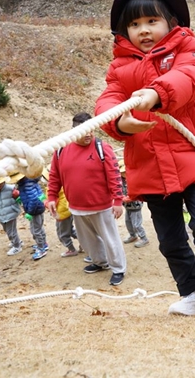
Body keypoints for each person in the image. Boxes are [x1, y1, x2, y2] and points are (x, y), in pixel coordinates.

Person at [95, 0, 195, 314]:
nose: (143, 30)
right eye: (135, 24)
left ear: (171, 22)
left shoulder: (189, 49)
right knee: (170, 240)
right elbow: (108, 99)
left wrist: (158, 92)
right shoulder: (120, 67)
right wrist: (117, 121)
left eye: (152, 21)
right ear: (124, 31)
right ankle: (190, 294)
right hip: (150, 165)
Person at [48, 113, 126, 286]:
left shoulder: (102, 147)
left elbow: (114, 174)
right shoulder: (61, 149)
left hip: (102, 205)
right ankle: (100, 262)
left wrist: (118, 200)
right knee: (87, 239)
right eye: (84, 131)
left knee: (110, 239)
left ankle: (118, 268)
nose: (89, 134)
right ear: (74, 130)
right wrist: (52, 196)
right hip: (76, 206)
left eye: (91, 130)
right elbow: (55, 176)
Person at [42, 166, 80, 257]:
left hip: (61, 213)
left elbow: (54, 201)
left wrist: (45, 203)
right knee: (70, 230)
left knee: (62, 234)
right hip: (68, 210)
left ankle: (71, 249)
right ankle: (84, 243)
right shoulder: (63, 182)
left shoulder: (54, 187)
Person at [11, 171, 49, 261]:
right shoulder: (26, 183)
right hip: (37, 208)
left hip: (35, 210)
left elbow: (33, 199)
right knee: (38, 227)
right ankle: (43, 244)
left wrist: (30, 212)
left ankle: (41, 248)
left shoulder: (27, 185)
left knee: (35, 230)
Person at [0, 176, 22, 255]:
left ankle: (17, 246)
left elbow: (18, 197)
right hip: (0, 215)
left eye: (1, 182)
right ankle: (16, 241)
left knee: (11, 232)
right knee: (7, 230)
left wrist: (18, 197)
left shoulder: (10, 188)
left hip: (11, 213)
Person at [118, 160, 148, 248]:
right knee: (128, 222)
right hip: (127, 206)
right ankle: (133, 235)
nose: (123, 174)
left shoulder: (134, 179)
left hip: (136, 205)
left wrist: (130, 198)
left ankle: (143, 238)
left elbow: (139, 191)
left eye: (124, 172)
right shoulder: (121, 181)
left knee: (136, 224)